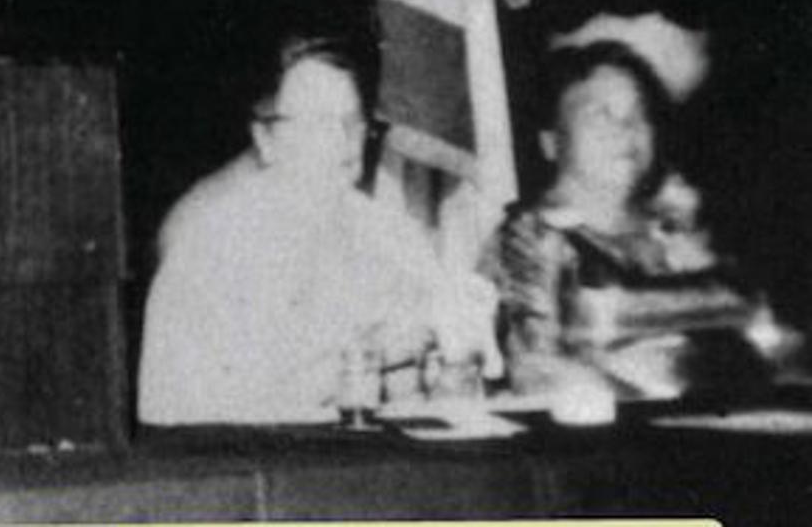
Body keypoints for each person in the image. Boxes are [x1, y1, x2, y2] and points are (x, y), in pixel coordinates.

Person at [137, 36, 497, 426]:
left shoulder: (393, 235)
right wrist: (374, 354)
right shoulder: (210, 247)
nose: (344, 141)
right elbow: (185, 415)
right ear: (266, 139)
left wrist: (457, 339)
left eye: (353, 122)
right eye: (321, 124)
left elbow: (448, 376)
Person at [484, 41, 795, 401]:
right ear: (550, 142)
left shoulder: (684, 230)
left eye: (638, 114)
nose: (625, 129)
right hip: (616, 432)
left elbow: (776, 342)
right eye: (599, 115)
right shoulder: (530, 237)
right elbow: (535, 372)